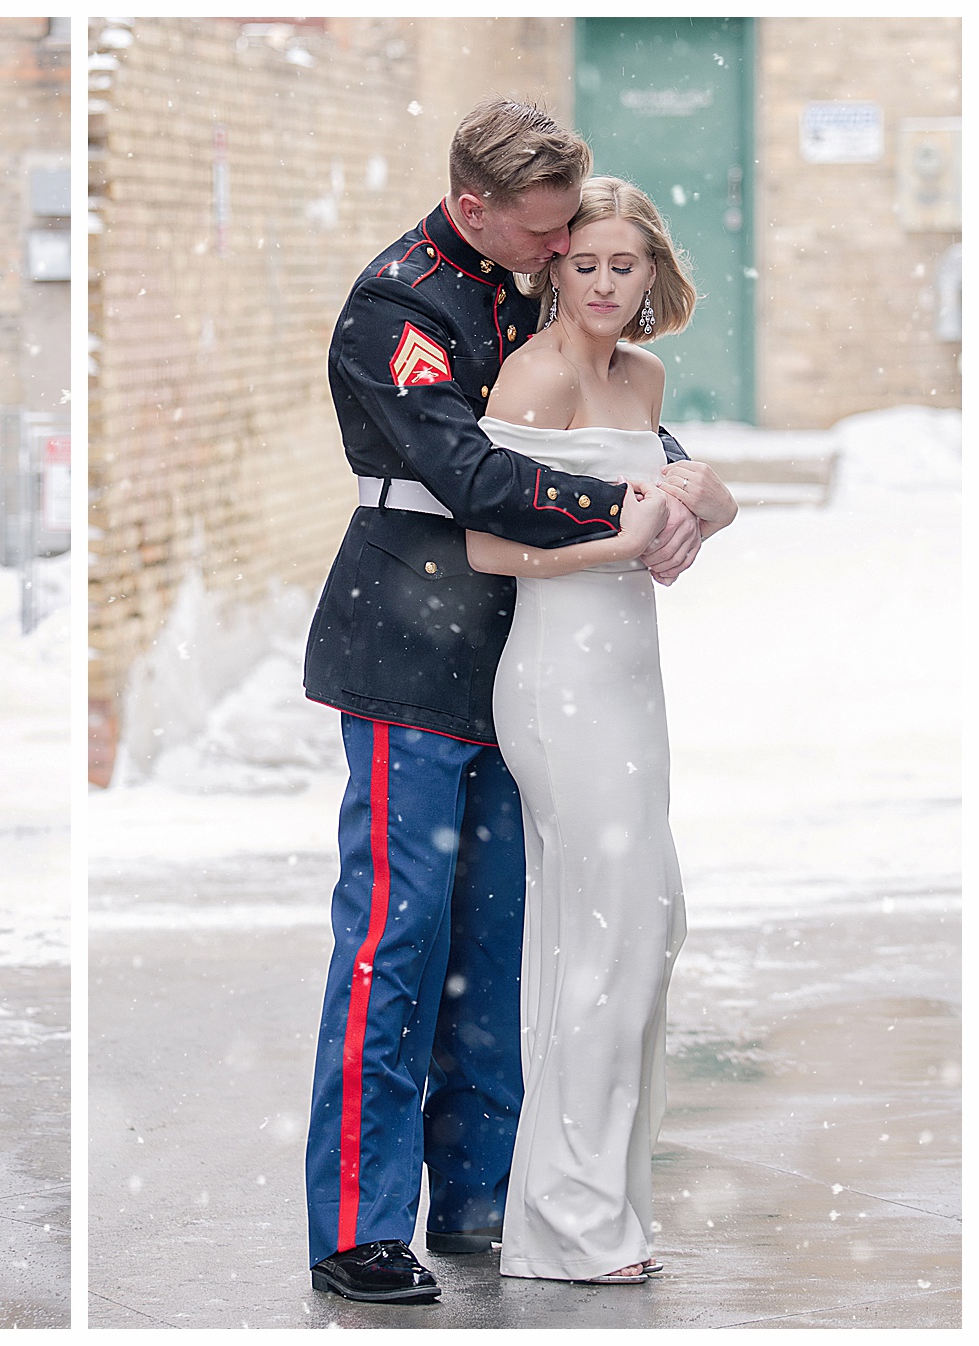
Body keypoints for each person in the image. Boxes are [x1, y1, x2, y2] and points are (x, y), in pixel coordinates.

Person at [300, 99, 730, 1304]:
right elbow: (469, 472)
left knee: (498, 942)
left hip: (530, 643)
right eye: (543, 236)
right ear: (475, 206)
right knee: (397, 934)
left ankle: (486, 1189)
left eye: (569, 237)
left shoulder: (524, 277)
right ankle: (358, 1221)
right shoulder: (400, 307)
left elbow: (603, 414)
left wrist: (681, 484)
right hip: (411, 648)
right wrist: (625, 520)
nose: (561, 256)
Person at [467, 176, 735, 1284]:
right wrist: (615, 549)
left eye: (625, 266)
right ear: (554, 268)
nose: (605, 285)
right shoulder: (532, 373)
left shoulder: (645, 375)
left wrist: (705, 504)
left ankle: (599, 1206)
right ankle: (565, 1227)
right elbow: (489, 547)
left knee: (646, 927)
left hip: (633, 683)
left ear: (650, 272)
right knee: (604, 936)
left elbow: (682, 504)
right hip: (557, 677)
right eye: (585, 265)